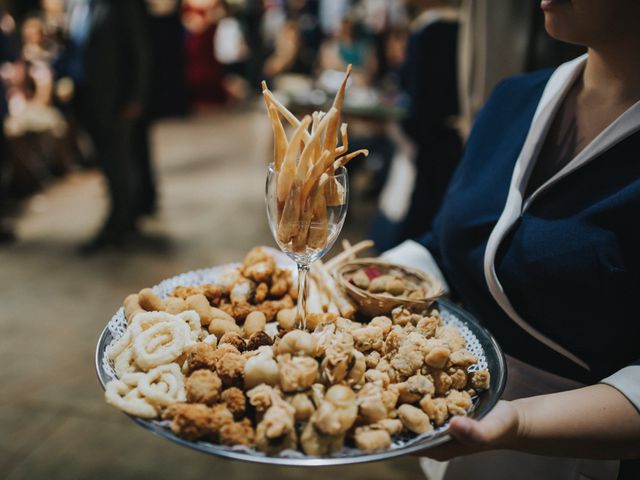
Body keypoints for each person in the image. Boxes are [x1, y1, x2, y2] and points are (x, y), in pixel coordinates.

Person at [384, 1, 640, 478]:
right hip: (455, 423)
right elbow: (446, 243)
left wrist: (518, 419)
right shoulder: (514, 99)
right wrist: (352, 279)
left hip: (574, 456)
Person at [64, 0, 154, 252]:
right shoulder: (74, 6)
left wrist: (135, 97)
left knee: (117, 161)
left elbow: (138, 50)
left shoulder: (118, 5)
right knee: (105, 161)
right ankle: (122, 215)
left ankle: (119, 222)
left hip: (114, 99)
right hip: (84, 96)